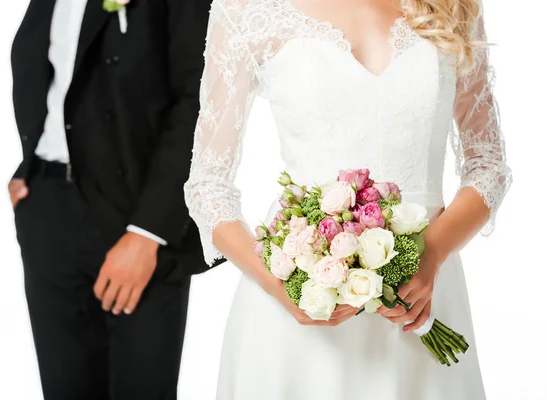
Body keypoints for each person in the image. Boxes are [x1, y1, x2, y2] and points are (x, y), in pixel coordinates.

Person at [184, 0, 512, 398]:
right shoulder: (247, 10)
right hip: (298, 304)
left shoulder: (453, 6)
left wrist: (432, 253)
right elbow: (207, 185)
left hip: (421, 298)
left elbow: (488, 163)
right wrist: (282, 287)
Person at [9, 0, 211, 398]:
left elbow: (200, 100)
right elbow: (44, 66)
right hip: (48, 207)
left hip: (139, 215)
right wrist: (33, 161)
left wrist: (148, 231)